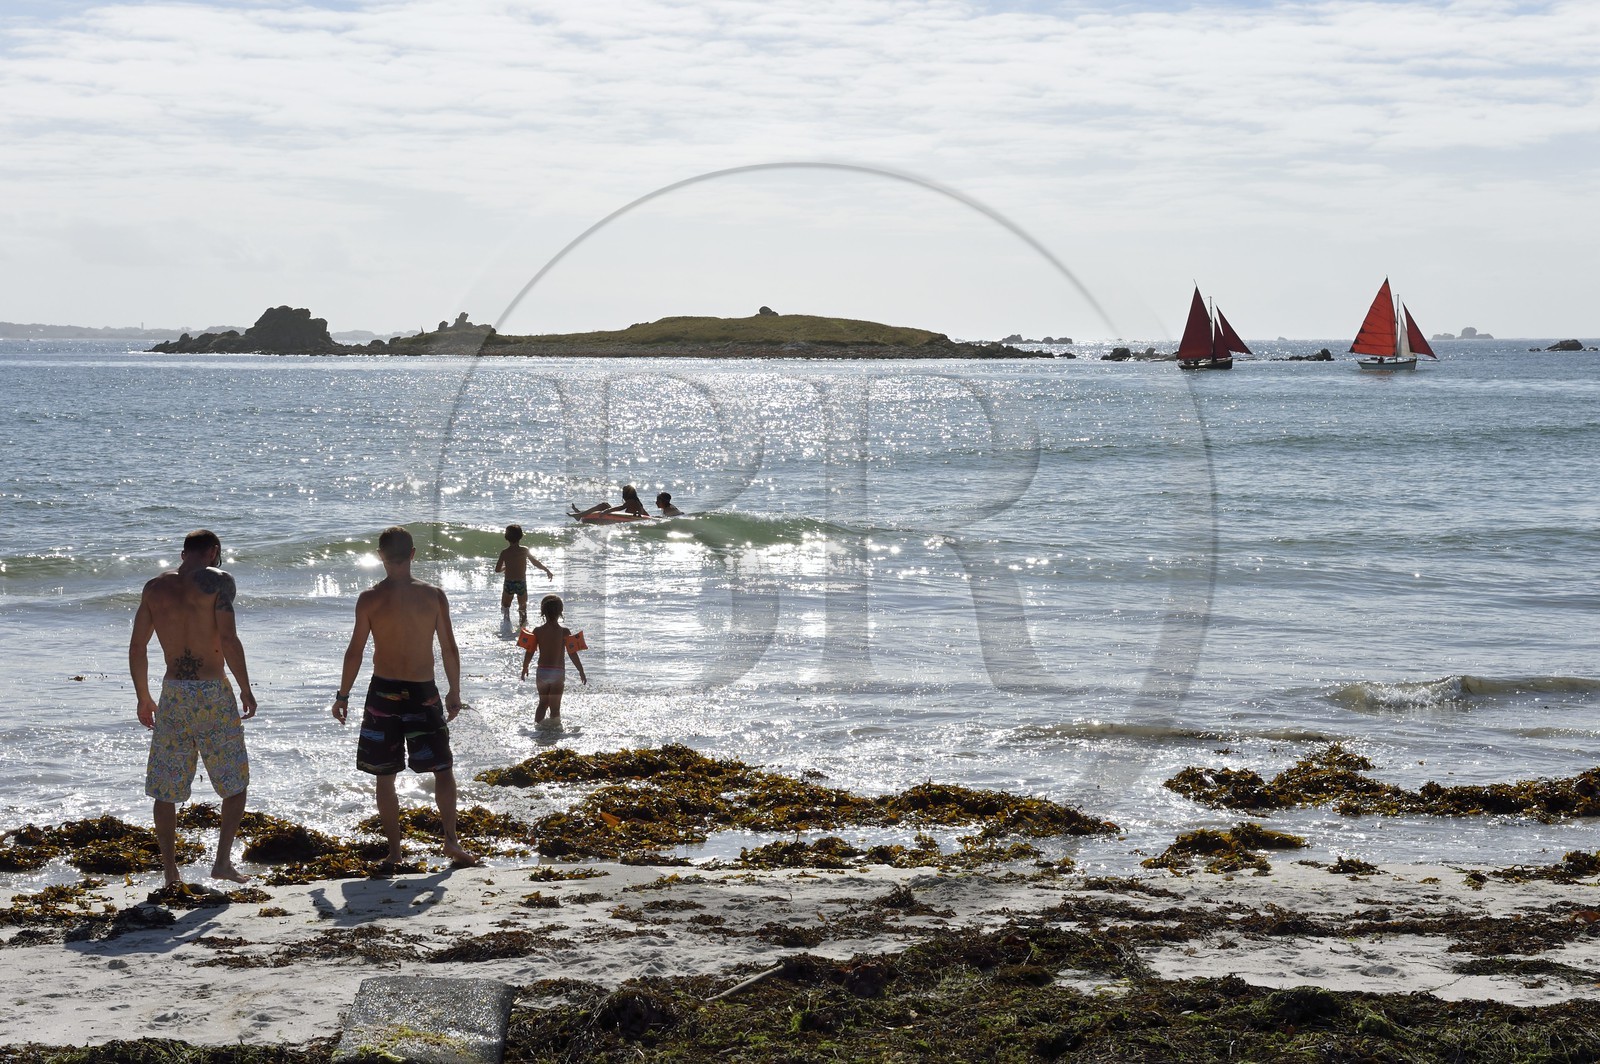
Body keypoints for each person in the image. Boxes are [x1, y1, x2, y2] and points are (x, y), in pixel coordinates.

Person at [332, 526, 479, 868]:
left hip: (382, 692)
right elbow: (448, 648)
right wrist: (454, 691)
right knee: (442, 768)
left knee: (386, 774)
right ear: (413, 554)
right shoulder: (433, 596)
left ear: (380, 556)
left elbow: (355, 651)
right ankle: (451, 842)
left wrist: (343, 695)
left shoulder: (369, 598)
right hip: (422, 692)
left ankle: (396, 852)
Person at [129, 529, 256, 887]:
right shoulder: (219, 581)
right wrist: (246, 688)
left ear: (184, 553)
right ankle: (221, 863)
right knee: (234, 782)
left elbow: (138, 648)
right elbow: (228, 639)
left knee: (165, 788)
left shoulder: (154, 588)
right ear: (214, 551)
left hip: (173, 694)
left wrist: (143, 696)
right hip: (213, 691)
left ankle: (171, 872)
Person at [519, 594, 587, 725]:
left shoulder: (537, 631)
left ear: (543, 612)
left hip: (542, 673)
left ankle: (538, 729)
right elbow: (573, 654)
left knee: (542, 704)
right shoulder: (564, 632)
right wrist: (581, 670)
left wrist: (525, 667)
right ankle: (554, 733)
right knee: (555, 708)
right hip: (557, 673)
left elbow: (530, 652)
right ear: (560, 612)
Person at [493, 524, 552, 622]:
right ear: (520, 536)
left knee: (506, 607)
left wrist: (506, 568)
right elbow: (535, 563)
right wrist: (547, 570)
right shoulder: (524, 550)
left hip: (509, 583)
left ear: (506, 538)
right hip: (521, 583)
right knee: (522, 608)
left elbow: (497, 570)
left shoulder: (504, 552)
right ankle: (523, 629)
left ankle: (506, 628)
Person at [570, 484, 649, 520]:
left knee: (604, 505)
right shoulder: (638, 503)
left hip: (629, 519)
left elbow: (620, 508)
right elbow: (648, 516)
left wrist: (607, 511)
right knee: (606, 505)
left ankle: (580, 514)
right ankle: (580, 513)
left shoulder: (631, 501)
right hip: (630, 518)